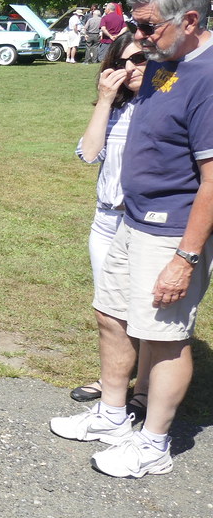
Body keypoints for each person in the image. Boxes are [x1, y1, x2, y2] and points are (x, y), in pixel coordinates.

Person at [51, 0, 213, 478]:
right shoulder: (168, 61)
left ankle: (153, 444)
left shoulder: (208, 77)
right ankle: (112, 415)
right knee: (112, 316)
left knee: (164, 337)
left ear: (189, 19)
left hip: (170, 232)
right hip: (130, 219)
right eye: (134, 27)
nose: (137, 38)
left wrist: (184, 260)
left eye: (147, 27)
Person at [68, 33, 150, 416]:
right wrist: (103, 101)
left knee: (146, 311)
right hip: (106, 221)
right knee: (110, 311)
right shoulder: (115, 109)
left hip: (146, 224)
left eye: (140, 60)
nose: (130, 69)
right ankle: (112, 380)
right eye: (122, 63)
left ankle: (145, 390)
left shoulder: (162, 106)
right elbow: (88, 153)